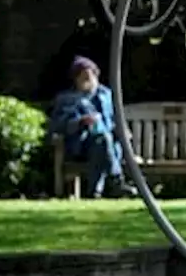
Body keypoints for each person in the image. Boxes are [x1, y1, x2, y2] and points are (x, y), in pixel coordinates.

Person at [48, 55, 137, 199]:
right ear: (76, 79)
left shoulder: (106, 95)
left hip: (105, 145)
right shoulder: (66, 99)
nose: (88, 79)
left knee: (103, 141)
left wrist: (123, 131)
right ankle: (116, 181)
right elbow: (58, 125)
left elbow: (116, 119)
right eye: (83, 76)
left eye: (91, 75)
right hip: (80, 145)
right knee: (102, 141)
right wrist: (80, 122)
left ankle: (95, 192)